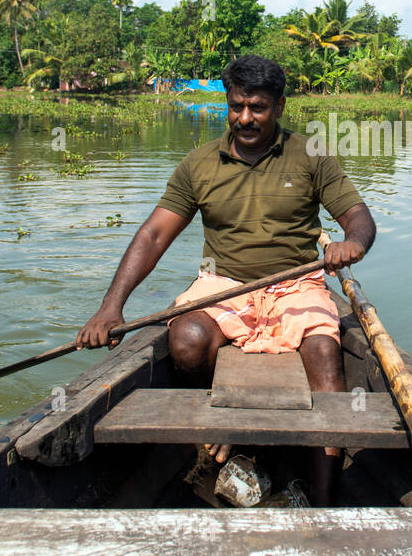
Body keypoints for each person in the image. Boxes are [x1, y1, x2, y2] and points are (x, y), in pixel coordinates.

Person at [75, 54, 375, 505]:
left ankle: (325, 498)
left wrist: (352, 242)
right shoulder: (199, 164)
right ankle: (217, 432)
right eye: (236, 106)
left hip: (297, 283)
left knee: (326, 355)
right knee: (188, 339)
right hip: (225, 282)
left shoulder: (311, 155)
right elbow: (154, 235)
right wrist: (110, 306)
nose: (245, 118)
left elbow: (359, 216)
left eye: (258, 107)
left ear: (280, 106)